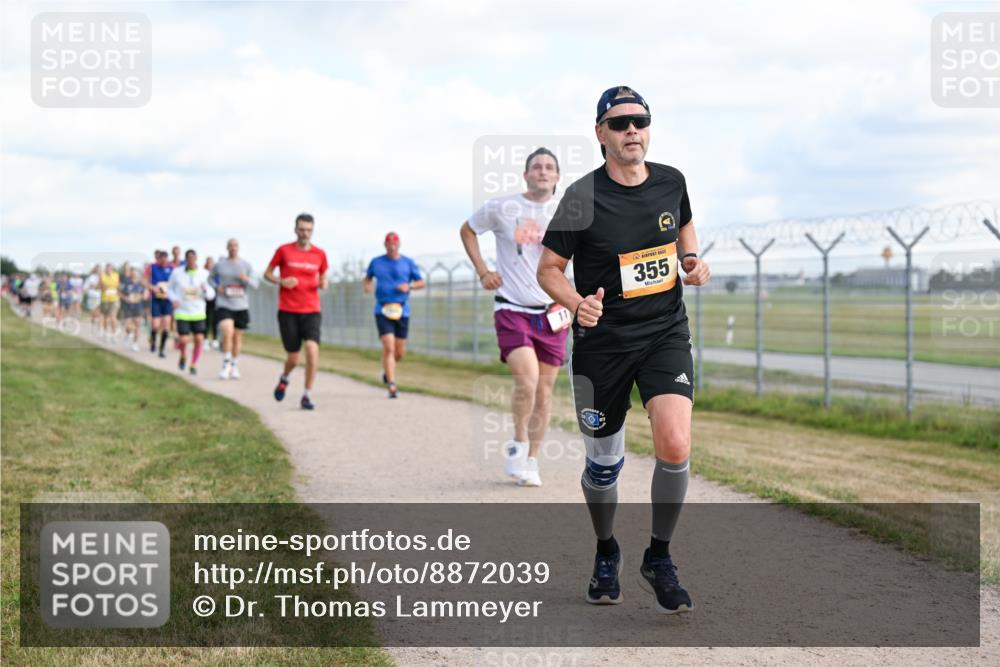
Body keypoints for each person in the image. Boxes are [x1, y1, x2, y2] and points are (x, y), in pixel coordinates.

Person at [538, 86, 711, 614]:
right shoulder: (580, 197)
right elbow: (548, 269)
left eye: (640, 120)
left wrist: (692, 259)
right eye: (619, 123)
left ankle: (658, 557)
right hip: (602, 346)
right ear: (601, 134)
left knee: (676, 443)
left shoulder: (671, 180)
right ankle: (606, 549)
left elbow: (682, 225)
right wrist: (575, 303)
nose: (631, 129)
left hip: (663, 332)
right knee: (603, 466)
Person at [459, 146, 570, 487]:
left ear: (557, 177)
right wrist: (482, 270)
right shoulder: (503, 207)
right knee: (527, 380)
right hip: (512, 307)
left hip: (553, 312)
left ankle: (532, 460)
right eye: (536, 166)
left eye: (549, 167)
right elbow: (468, 230)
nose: (542, 171)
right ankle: (519, 442)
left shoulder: (568, 214)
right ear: (526, 175)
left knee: (545, 391)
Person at [264, 213, 329, 410]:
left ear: (313, 231)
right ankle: (284, 378)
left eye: (309, 230)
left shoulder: (320, 254)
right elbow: (267, 274)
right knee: (293, 358)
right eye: (302, 229)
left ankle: (307, 395)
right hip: (288, 310)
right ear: (295, 229)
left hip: (311, 310)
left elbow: (323, 275)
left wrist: (324, 282)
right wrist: (282, 281)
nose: (305, 233)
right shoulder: (284, 251)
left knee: (312, 349)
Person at [363, 232, 424, 398]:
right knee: (388, 346)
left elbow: (421, 282)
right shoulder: (376, 262)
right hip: (382, 309)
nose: (391, 246)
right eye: (389, 243)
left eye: (394, 244)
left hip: (402, 310)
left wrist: (409, 287)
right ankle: (392, 384)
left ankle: (386, 370)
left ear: (399, 244)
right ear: (385, 244)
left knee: (399, 352)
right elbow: (367, 278)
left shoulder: (408, 262)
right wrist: (367, 286)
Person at [211, 238, 256, 379]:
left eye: (235, 245)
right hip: (224, 303)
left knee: (237, 337)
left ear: (238, 247)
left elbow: (255, 284)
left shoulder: (246, 265)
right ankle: (225, 365)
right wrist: (217, 287)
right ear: (227, 247)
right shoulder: (220, 265)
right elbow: (210, 278)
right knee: (227, 331)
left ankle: (234, 365)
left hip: (241, 305)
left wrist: (246, 279)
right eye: (230, 245)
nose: (233, 248)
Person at [168, 249, 215, 375]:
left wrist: (205, 290)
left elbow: (211, 295)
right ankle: (183, 355)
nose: (191, 260)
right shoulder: (177, 273)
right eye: (188, 258)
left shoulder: (204, 274)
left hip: (198, 311)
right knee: (184, 340)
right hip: (182, 311)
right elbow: (169, 289)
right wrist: (174, 299)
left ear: (196, 259)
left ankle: (193, 364)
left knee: (199, 339)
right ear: (186, 259)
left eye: (193, 258)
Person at [146, 250, 175, 357]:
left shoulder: (171, 269)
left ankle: (162, 349)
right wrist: (152, 287)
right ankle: (153, 341)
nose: (163, 262)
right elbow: (144, 281)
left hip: (167, 300)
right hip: (156, 300)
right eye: (161, 260)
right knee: (156, 324)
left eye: (165, 260)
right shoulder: (152, 267)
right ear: (158, 259)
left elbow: (176, 283)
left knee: (167, 324)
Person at [120, 264, 146, 351]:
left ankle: (135, 344)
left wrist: (144, 296)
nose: (134, 274)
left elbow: (145, 294)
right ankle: (128, 334)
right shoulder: (126, 282)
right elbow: (119, 292)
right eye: (133, 272)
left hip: (138, 306)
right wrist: (125, 298)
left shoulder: (140, 284)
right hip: (128, 306)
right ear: (130, 273)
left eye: (136, 272)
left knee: (137, 324)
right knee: (128, 325)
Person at [99, 262, 121, 339]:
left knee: (113, 316)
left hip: (114, 299)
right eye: (107, 268)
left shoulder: (116, 275)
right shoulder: (102, 275)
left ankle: (114, 333)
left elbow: (118, 286)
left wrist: (109, 286)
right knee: (105, 317)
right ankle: (105, 332)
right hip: (105, 299)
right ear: (106, 269)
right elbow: (101, 286)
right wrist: (109, 286)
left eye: (110, 268)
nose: (109, 269)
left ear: (112, 269)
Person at [204, 255, 219, 350]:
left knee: (215, 320)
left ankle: (214, 340)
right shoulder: (203, 274)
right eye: (209, 263)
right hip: (204, 300)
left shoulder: (216, 274)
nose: (210, 265)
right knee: (206, 320)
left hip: (215, 300)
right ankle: (205, 340)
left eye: (212, 263)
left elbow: (219, 285)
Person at [82, 266, 102, 333]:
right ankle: (93, 326)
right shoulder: (90, 277)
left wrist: (97, 286)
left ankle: (99, 328)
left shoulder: (103, 277)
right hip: (92, 296)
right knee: (93, 312)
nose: (99, 270)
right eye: (97, 269)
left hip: (100, 297)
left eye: (100, 269)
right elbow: (85, 287)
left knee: (99, 313)